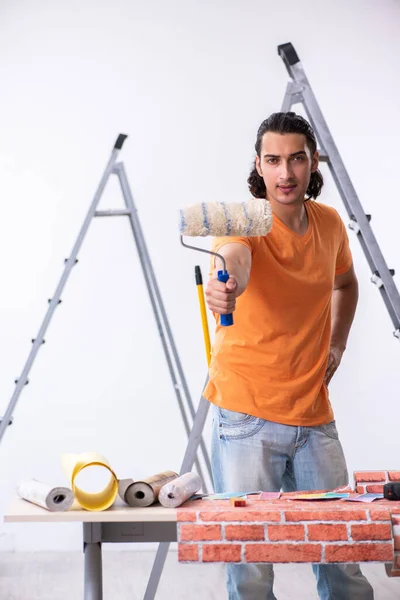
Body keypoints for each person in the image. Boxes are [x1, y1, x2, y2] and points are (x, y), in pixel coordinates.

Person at [203, 112, 373, 600]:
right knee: (250, 569)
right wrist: (226, 287)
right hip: (246, 415)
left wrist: (336, 344)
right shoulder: (242, 220)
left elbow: (346, 282)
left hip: (314, 416)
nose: (285, 173)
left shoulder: (329, 222)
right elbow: (234, 259)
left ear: (312, 161)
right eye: (273, 160)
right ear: (258, 165)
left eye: (296, 159)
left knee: (343, 556)